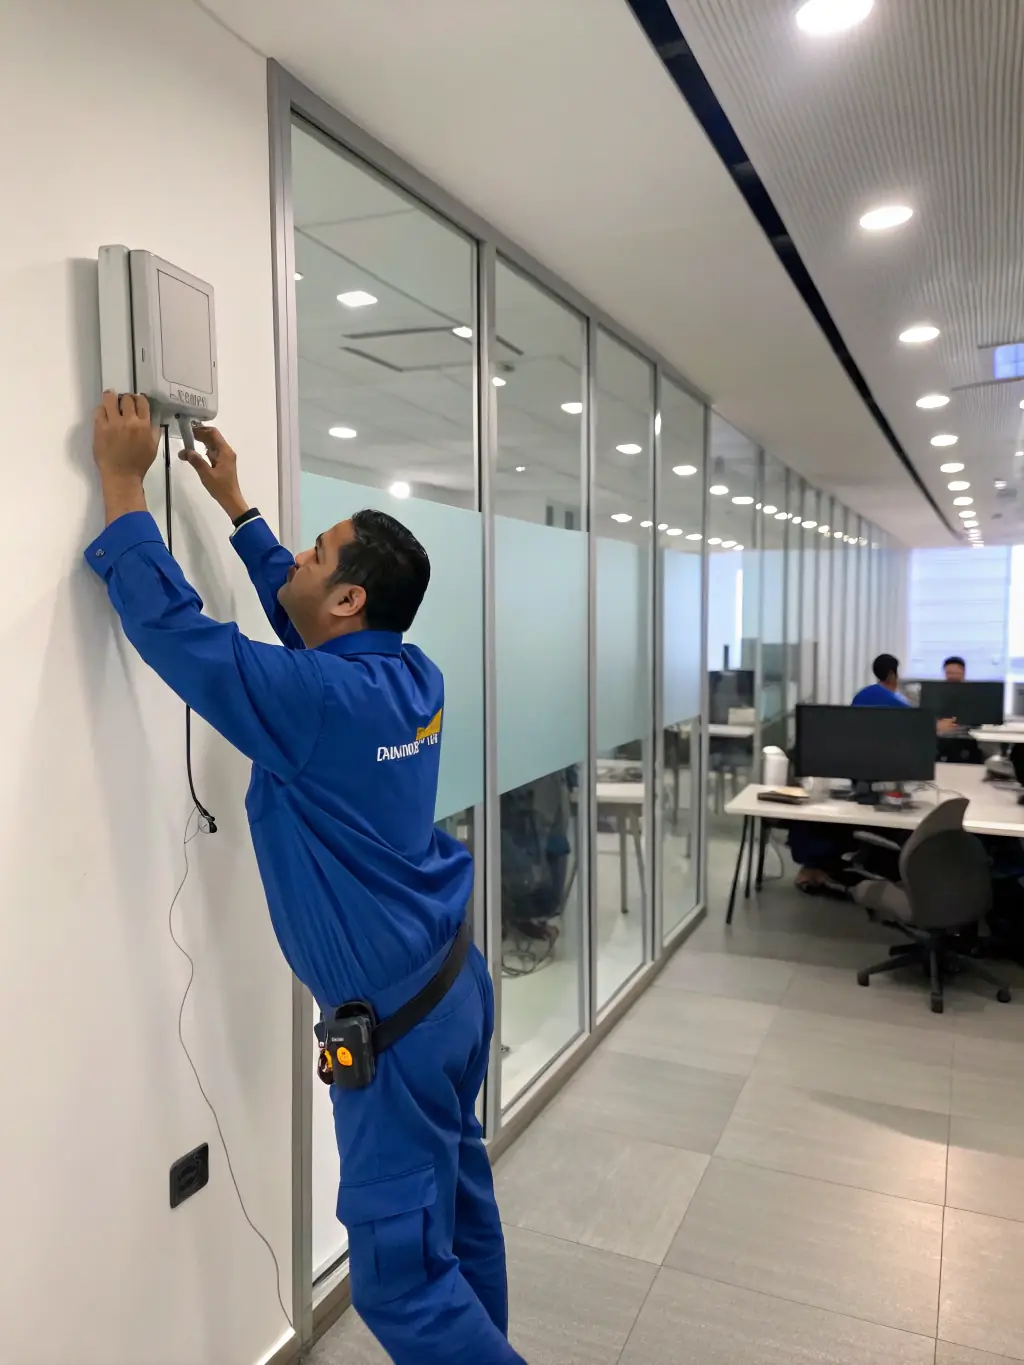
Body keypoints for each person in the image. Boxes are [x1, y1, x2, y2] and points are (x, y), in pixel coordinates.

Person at [86, 393, 526, 1365]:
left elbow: (175, 632)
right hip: (453, 985)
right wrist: (238, 511)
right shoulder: (410, 681)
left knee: (397, 1279)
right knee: (454, 1207)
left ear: (348, 603)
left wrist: (123, 483)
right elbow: (304, 620)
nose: (303, 558)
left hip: (397, 1027)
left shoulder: (317, 699)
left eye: (319, 554)